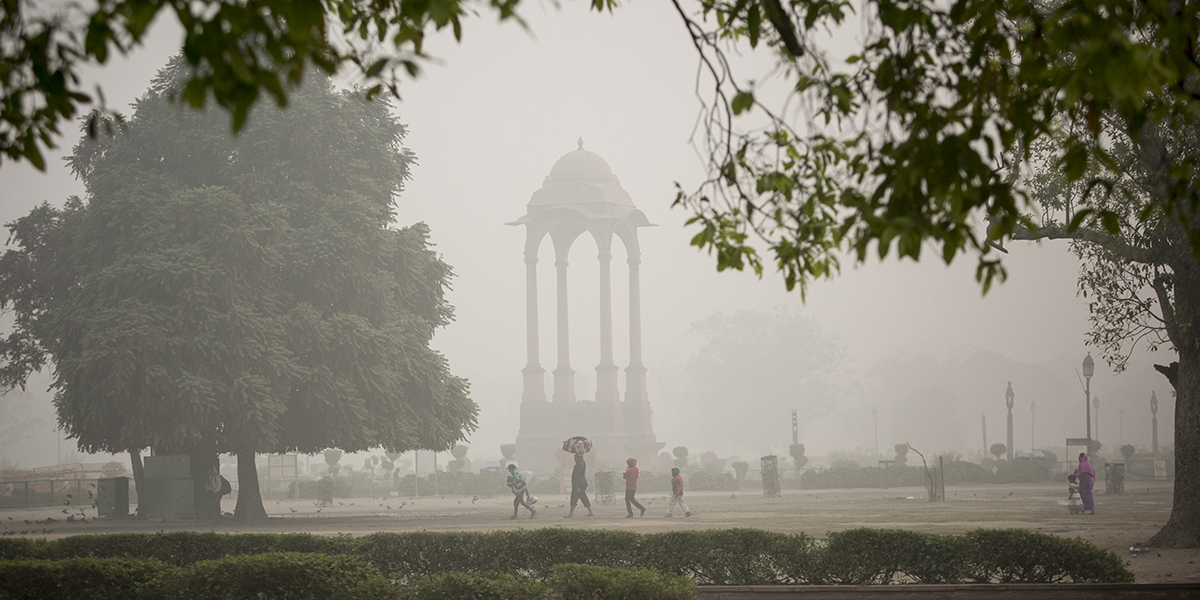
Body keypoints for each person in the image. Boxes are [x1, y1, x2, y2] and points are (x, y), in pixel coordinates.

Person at [566, 453, 593, 517]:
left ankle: (571, 514)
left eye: (575, 457)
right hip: (581, 484)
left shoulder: (579, 465)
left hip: (579, 485)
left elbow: (578, 477)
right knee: (583, 498)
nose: (574, 459)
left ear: (579, 458)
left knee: (574, 499)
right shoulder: (582, 463)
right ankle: (590, 512)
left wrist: (577, 487)